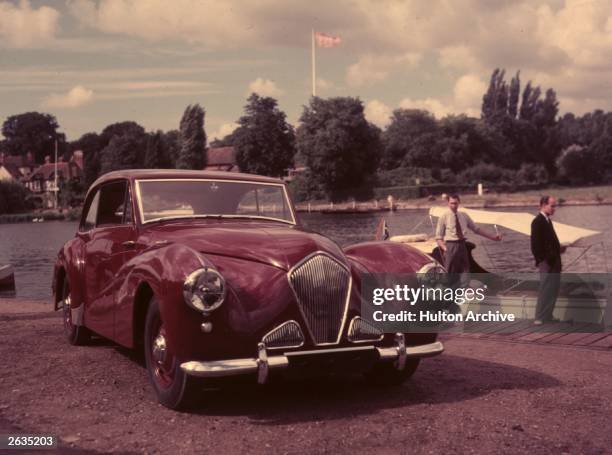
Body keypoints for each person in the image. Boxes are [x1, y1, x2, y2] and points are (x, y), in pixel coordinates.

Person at [435, 194, 502, 274]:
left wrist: (493, 237)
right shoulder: (444, 217)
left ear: (459, 203)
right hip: (451, 245)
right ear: (448, 203)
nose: (454, 205)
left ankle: (464, 285)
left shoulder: (464, 215)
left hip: (463, 244)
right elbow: (438, 238)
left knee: (465, 270)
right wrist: (446, 249)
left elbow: (476, 229)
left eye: (455, 203)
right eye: (451, 203)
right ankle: (449, 286)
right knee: (450, 271)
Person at [531, 195, 566, 325]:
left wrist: (559, 249)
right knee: (545, 288)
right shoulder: (537, 221)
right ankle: (539, 317)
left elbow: (550, 242)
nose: (554, 208)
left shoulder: (547, 221)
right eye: (552, 206)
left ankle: (548, 315)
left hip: (554, 260)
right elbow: (535, 245)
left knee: (554, 288)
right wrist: (541, 260)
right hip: (546, 262)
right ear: (543, 205)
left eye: (555, 206)